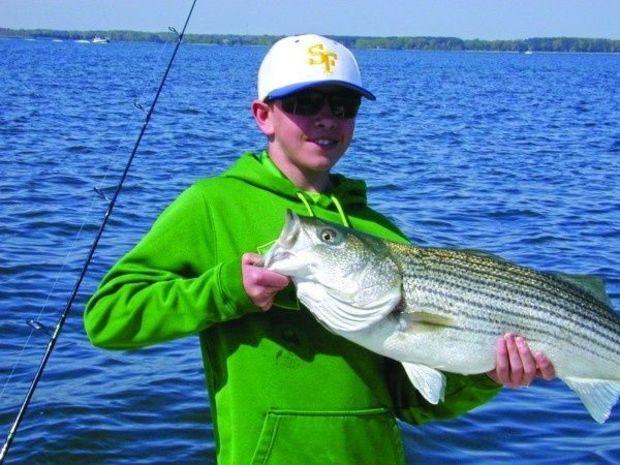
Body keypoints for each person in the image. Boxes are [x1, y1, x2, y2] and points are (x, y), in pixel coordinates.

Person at [84, 34, 556, 465]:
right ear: (263, 115)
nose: (327, 119)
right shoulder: (213, 203)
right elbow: (108, 317)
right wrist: (227, 289)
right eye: (306, 102)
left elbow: (415, 401)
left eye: (344, 104)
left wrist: (488, 377)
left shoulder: (380, 233)